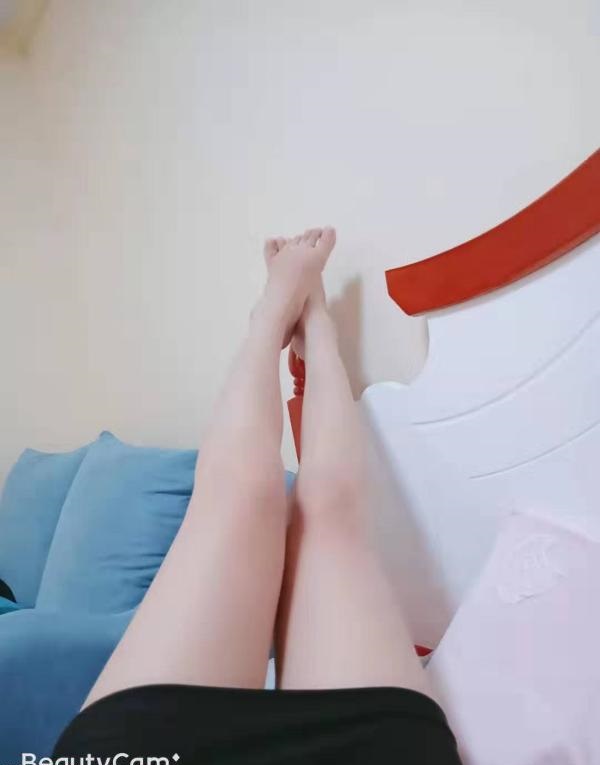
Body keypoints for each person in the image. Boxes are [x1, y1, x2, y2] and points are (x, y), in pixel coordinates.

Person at [53, 228, 461, 763]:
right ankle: (313, 323)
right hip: (370, 743)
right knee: (326, 508)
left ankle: (274, 318)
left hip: (152, 741)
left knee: (239, 493)